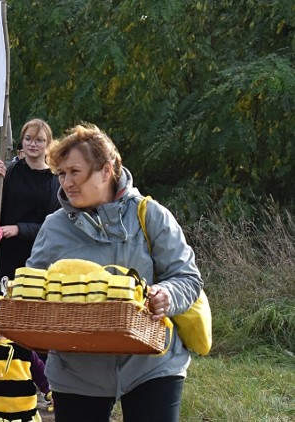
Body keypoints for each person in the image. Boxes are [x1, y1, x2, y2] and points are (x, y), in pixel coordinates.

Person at [26, 123, 202, 421]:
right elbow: (35, 289)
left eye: (75, 172)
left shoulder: (151, 215)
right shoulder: (54, 227)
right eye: (61, 174)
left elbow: (187, 277)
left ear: (106, 171)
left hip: (153, 363)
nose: (66, 182)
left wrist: (166, 295)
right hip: (76, 370)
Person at [0, 118, 59, 294]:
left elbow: (54, 227)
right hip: (6, 256)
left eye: (39, 140)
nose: (32, 144)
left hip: (38, 256)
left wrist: (19, 229)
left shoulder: (55, 180)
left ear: (48, 144)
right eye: (28, 138)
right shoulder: (9, 172)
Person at [0, 296, 51, 422]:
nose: (0, 326)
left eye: (5, 321)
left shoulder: (23, 348)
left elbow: (40, 374)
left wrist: (50, 392)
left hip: (23, 414)